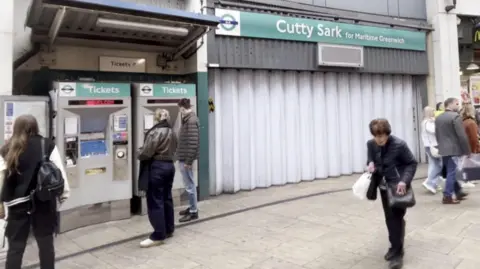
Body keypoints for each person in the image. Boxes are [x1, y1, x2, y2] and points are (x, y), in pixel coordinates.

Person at [0, 114, 70, 269]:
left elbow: (2, 178)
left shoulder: (6, 148)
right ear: (36, 127)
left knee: (15, 249)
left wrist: (1, 204)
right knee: (46, 247)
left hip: (16, 207)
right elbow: (59, 174)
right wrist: (63, 196)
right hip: (43, 203)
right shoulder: (47, 145)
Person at [366, 119, 417, 269]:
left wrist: (404, 181)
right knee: (390, 218)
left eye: (382, 135)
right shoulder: (371, 144)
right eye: (376, 136)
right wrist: (370, 164)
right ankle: (395, 245)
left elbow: (411, 163)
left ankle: (396, 254)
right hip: (382, 187)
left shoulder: (399, 145)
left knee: (395, 218)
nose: (379, 139)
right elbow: (371, 159)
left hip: (397, 187)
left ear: (388, 133)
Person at [137, 109, 177, 248]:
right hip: (169, 166)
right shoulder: (172, 131)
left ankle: (158, 235)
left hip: (157, 167)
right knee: (166, 198)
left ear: (156, 118)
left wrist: (138, 152)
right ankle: (169, 228)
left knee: (155, 200)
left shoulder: (155, 132)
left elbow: (146, 152)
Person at [435, 98, 471, 204]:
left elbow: (437, 134)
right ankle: (447, 196)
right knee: (452, 172)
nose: (458, 105)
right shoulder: (455, 116)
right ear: (450, 104)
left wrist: (439, 146)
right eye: (456, 103)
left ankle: (458, 191)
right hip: (453, 149)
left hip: (443, 149)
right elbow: (462, 136)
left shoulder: (439, 117)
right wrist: (467, 150)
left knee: (451, 171)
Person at [176, 98, 200, 222]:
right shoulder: (188, 119)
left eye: (180, 109)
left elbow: (193, 143)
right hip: (184, 157)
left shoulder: (190, 121)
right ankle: (191, 207)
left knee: (190, 185)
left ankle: (193, 212)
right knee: (188, 184)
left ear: (182, 108)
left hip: (186, 159)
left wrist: (188, 162)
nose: (180, 111)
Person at [421, 106, 443, 194]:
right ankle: (430, 182)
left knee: (434, 164)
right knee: (438, 165)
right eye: (433, 110)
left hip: (429, 146)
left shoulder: (425, 122)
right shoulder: (428, 122)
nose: (434, 112)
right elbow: (435, 131)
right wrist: (436, 122)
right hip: (432, 146)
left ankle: (432, 182)